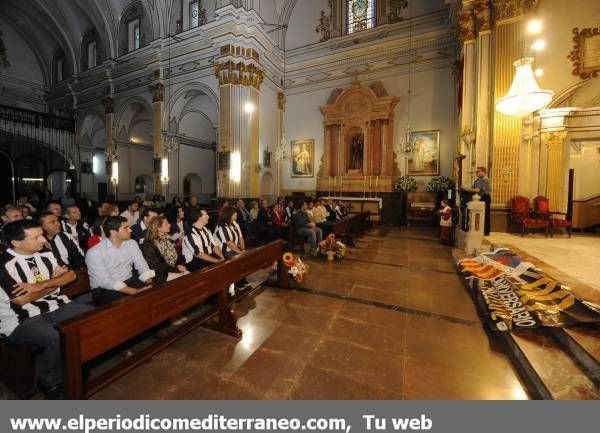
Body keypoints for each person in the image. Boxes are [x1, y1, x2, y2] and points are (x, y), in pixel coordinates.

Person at [0, 220, 92, 398]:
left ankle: (76, 365)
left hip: (56, 305)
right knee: (56, 336)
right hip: (21, 319)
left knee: (91, 317)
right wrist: (56, 283)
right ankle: (50, 381)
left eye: (41, 234)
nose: (43, 239)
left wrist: (41, 285)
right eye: (36, 237)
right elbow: (21, 299)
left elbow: (71, 275)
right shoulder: (4, 265)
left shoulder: (45, 253)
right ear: (16, 243)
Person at [85, 216, 155, 306]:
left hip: (129, 280)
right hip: (104, 289)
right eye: (126, 228)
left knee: (155, 292)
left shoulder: (131, 243)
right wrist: (136, 291)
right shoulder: (95, 252)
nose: (130, 230)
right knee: (131, 303)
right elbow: (105, 281)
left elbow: (142, 265)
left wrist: (149, 283)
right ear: (113, 232)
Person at [142, 215, 187, 285]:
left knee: (190, 276)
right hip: (161, 275)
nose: (169, 225)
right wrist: (176, 269)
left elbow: (175, 256)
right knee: (187, 280)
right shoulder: (149, 245)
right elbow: (156, 267)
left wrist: (179, 266)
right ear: (158, 228)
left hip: (171, 269)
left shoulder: (166, 237)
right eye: (166, 224)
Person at [462, 166, 492, 236]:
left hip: (485, 198)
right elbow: (473, 189)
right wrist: (466, 189)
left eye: (478, 171)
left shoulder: (485, 180)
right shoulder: (477, 180)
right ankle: (478, 229)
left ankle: (485, 231)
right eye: (476, 172)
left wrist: (466, 189)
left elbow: (479, 190)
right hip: (477, 198)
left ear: (483, 172)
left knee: (485, 215)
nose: (476, 173)